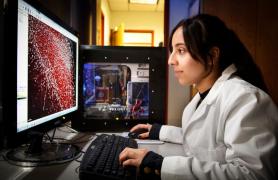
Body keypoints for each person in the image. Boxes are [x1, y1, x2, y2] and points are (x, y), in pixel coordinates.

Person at [119, 14, 278, 180]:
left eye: (180, 51)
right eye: (172, 51)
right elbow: (204, 140)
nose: (171, 61)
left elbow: (253, 175)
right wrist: (159, 131)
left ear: (213, 56)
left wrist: (160, 164)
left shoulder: (246, 99)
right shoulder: (200, 99)